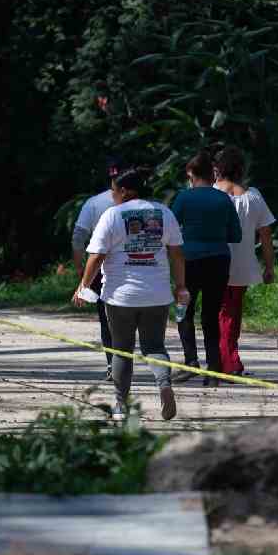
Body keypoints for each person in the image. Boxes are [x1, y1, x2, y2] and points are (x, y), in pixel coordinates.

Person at [73, 167, 189, 421]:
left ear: (124, 191)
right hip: (157, 294)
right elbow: (177, 254)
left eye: (114, 191)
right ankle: (164, 384)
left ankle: (120, 406)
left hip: (119, 296)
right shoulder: (164, 213)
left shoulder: (112, 215)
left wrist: (83, 286)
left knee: (122, 350)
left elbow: (97, 256)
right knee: (155, 346)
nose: (112, 196)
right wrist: (180, 286)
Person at [170, 151, 241, 386]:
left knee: (184, 311)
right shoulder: (223, 199)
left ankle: (191, 361)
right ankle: (214, 369)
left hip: (189, 261)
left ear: (191, 174)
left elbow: (170, 229)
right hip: (219, 261)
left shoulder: (183, 198)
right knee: (211, 315)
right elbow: (236, 235)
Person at [212, 146, 276, 376]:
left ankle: (221, 359)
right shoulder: (253, 197)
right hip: (242, 266)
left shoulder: (209, 194)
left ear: (217, 169)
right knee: (231, 313)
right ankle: (229, 361)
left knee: (219, 313)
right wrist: (269, 266)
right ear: (241, 170)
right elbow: (266, 235)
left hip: (212, 263)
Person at [71, 155, 125, 381]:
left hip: (100, 268)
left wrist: (81, 271)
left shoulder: (93, 203)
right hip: (134, 267)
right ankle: (123, 362)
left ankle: (113, 365)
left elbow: (77, 239)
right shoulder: (145, 206)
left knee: (107, 318)